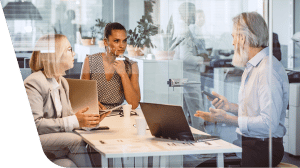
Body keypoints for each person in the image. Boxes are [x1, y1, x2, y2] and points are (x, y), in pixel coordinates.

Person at [195, 12, 289, 168]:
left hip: (263, 149)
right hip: (248, 144)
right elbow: (255, 112)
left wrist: (227, 119)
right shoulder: (252, 66)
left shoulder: (267, 71)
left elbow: (268, 123)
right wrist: (229, 107)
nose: (232, 43)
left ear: (243, 38)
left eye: (233, 37)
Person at [24, 34, 110, 168]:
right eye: (69, 49)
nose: (74, 53)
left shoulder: (62, 82)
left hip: (53, 143)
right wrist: (75, 120)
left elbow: (68, 118)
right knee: (74, 141)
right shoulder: (34, 81)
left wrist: (89, 121)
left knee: (68, 165)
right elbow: (35, 125)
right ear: (56, 55)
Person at [81, 22, 141, 110]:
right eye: (116, 41)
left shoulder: (132, 65)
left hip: (119, 115)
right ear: (105, 42)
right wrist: (92, 103)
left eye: (124, 41)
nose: (122, 45)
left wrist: (123, 74)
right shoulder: (90, 61)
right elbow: (82, 95)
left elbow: (134, 104)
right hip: (94, 112)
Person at [173, 2, 205, 131]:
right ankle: (203, 143)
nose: (194, 16)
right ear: (187, 14)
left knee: (184, 111)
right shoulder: (185, 30)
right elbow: (186, 58)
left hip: (181, 75)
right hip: (189, 76)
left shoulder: (179, 27)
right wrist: (202, 59)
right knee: (198, 112)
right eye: (193, 13)